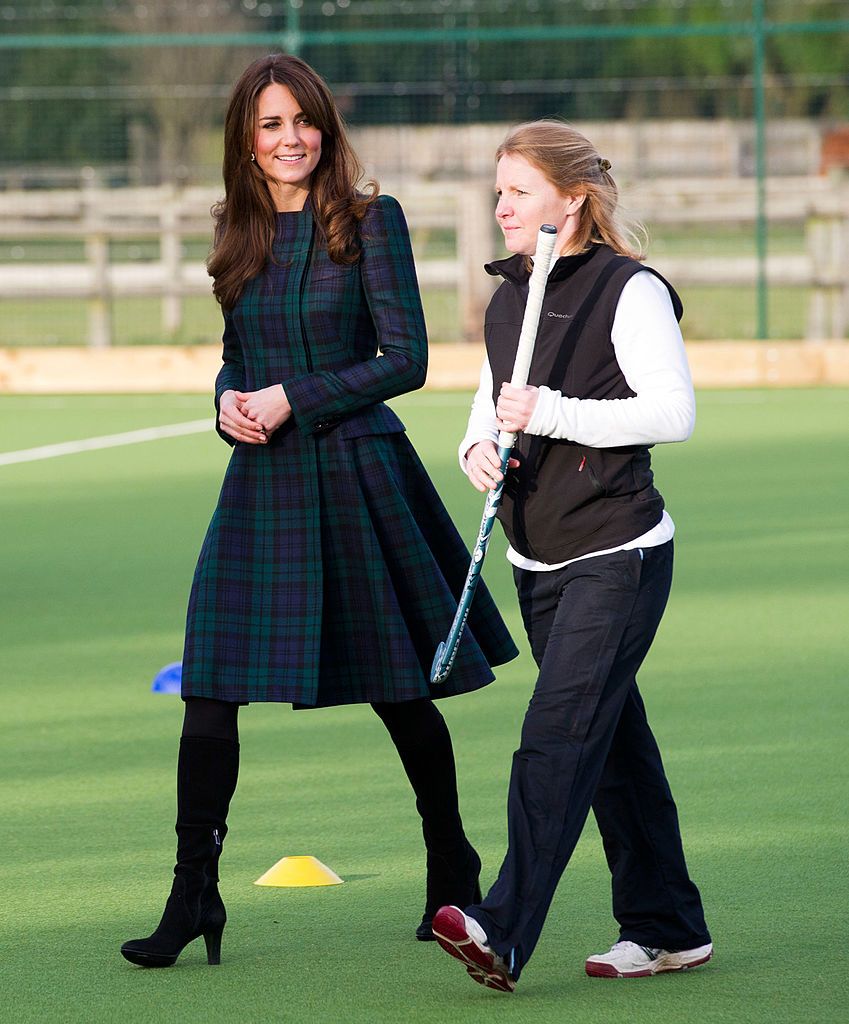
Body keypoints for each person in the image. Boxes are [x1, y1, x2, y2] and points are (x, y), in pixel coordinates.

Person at [120, 53, 518, 969]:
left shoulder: (370, 222)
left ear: (325, 130)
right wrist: (226, 401)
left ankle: (451, 863)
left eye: (303, 121)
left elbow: (405, 359)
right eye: (270, 124)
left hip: (355, 475)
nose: (290, 138)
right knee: (210, 686)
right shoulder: (236, 228)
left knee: (398, 688)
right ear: (246, 140)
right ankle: (193, 895)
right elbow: (235, 350)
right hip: (260, 486)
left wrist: (294, 396)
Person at [430, 120, 712, 992]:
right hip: (537, 560)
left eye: (517, 190)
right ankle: (666, 925)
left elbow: (672, 413)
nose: (500, 204)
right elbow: (491, 403)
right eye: (498, 189)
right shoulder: (507, 294)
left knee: (555, 738)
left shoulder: (628, 292)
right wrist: (476, 448)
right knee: (611, 747)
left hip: (617, 554)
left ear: (571, 198)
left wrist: (550, 412)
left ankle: (501, 930)